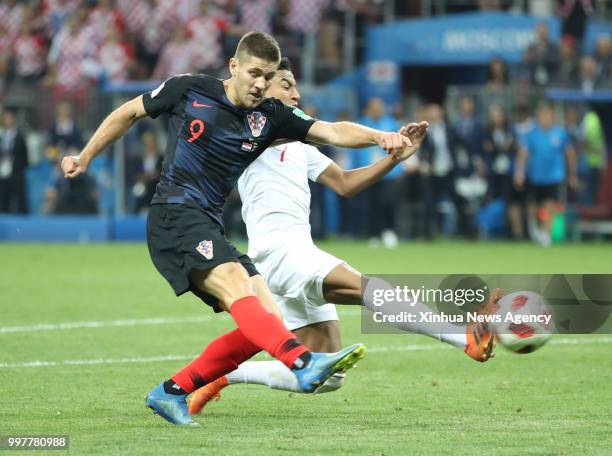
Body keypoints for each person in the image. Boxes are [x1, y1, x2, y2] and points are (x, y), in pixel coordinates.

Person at [61, 32, 416, 427]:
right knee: (236, 285)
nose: (261, 84)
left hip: (207, 222)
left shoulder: (271, 116)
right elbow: (128, 112)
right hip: (174, 214)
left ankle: (171, 391)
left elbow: (332, 131)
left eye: (267, 76)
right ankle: (302, 362)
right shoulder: (190, 89)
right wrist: (85, 155)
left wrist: (379, 136)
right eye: (254, 73)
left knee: (266, 320)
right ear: (233, 66)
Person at [187, 58, 500, 415]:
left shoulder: (300, 144)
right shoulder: (244, 130)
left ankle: (222, 377)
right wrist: (379, 136)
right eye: (287, 85)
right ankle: (464, 339)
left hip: (292, 255)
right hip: (280, 253)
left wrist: (394, 159)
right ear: (262, 86)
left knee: (328, 373)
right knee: (368, 288)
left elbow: (345, 183)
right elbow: (333, 131)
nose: (297, 93)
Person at [514, 103, 578, 246]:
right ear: (538, 117)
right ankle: (535, 229)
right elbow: (523, 154)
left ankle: (546, 234)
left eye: (549, 115)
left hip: (554, 176)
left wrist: (572, 173)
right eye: (543, 115)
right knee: (533, 207)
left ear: (553, 117)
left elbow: (570, 154)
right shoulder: (531, 134)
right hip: (535, 176)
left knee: (550, 205)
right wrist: (519, 172)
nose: (546, 118)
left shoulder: (560, 134)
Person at [0, 108, 29, 213]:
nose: (7, 120)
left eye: (9, 118)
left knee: (20, 199)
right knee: (3, 199)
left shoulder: (20, 136)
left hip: (16, 173)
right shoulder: (2, 135)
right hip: (3, 173)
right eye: (5, 118)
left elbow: (25, 156)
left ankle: (24, 223)